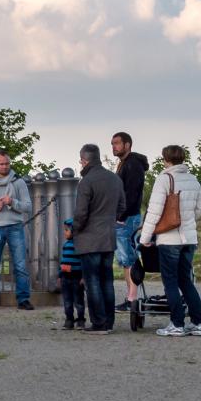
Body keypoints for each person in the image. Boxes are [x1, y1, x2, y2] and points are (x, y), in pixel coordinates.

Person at [140, 145, 201, 337]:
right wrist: (186, 221)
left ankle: (177, 324)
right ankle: (198, 323)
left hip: (169, 239)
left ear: (165, 159)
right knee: (185, 280)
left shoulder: (164, 179)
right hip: (189, 239)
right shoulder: (193, 179)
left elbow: (154, 211)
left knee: (170, 281)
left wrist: (145, 238)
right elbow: (200, 208)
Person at [71, 143, 124, 334]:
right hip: (108, 237)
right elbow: (122, 207)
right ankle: (109, 322)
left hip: (89, 239)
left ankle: (98, 323)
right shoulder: (115, 179)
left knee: (92, 281)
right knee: (107, 281)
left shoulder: (86, 182)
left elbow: (81, 213)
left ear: (84, 160)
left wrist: (74, 230)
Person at [0, 151, 34, 311]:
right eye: (1, 164)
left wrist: (12, 202)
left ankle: (23, 299)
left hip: (15, 227)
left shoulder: (19, 182)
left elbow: (28, 206)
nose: (4, 166)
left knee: (20, 265)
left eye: (7, 163)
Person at [112, 132, 150, 312]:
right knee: (126, 259)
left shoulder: (133, 165)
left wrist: (120, 217)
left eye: (117, 143)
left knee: (129, 259)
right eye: (112, 144)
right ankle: (131, 296)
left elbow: (132, 194)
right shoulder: (124, 164)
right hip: (126, 217)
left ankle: (132, 299)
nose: (114, 147)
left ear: (127, 145)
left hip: (127, 218)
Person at [58, 220, 84, 329]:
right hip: (65, 277)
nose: (65, 232)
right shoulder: (66, 245)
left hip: (76, 277)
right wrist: (60, 275)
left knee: (78, 300)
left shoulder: (79, 245)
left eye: (67, 230)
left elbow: (83, 262)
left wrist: (83, 276)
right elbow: (63, 261)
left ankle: (81, 320)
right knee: (67, 301)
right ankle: (69, 319)